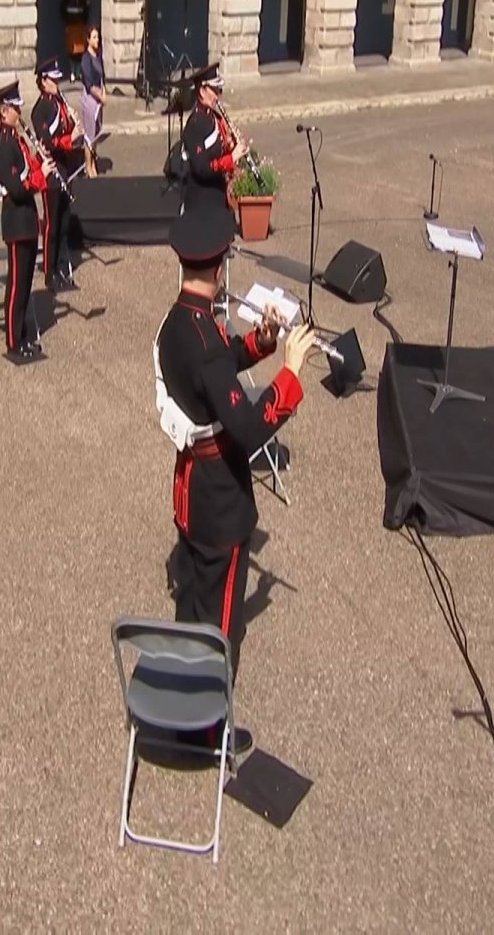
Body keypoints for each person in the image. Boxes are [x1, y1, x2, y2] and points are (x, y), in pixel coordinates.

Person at [154, 208, 315, 752]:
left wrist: (262, 341)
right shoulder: (201, 337)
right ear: (221, 266)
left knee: (190, 601)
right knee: (222, 623)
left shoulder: (180, 321)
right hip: (219, 495)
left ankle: (179, 701)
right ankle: (207, 732)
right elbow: (246, 427)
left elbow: (217, 366)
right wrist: (289, 374)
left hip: (190, 486)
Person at [0, 81, 52, 359]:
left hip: (27, 218)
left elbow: (29, 170)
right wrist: (40, 178)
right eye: (15, 109)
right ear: (4, 111)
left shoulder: (17, 140)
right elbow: (16, 187)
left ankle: (24, 336)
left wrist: (43, 165)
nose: (19, 113)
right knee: (16, 285)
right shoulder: (3, 147)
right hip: (15, 220)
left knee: (26, 281)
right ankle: (13, 342)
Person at [30, 57, 82, 291]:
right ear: (43, 81)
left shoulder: (59, 102)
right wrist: (69, 140)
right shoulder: (40, 109)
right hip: (50, 170)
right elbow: (48, 143)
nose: (56, 84)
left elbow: (66, 131)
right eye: (53, 80)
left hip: (65, 167)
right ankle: (49, 273)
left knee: (63, 221)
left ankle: (62, 266)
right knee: (51, 224)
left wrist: (75, 126)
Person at [180, 62, 245, 219]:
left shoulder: (213, 117)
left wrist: (231, 144)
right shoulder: (196, 123)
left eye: (220, 90)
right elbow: (201, 168)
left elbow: (218, 150)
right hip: (202, 200)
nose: (218, 96)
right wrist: (232, 158)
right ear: (202, 91)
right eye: (215, 90)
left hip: (217, 194)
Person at [79, 25, 105, 179]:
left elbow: (103, 77)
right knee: (89, 135)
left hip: (99, 98)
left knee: (96, 134)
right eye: (94, 37)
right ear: (88, 39)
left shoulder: (98, 55)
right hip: (90, 99)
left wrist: (105, 92)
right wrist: (100, 96)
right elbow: (89, 84)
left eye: (98, 37)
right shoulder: (86, 59)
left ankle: (93, 162)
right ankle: (87, 166)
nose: (97, 40)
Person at [60, 0, 91, 64]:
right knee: (71, 48)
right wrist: (65, 22)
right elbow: (62, 7)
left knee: (81, 48)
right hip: (70, 23)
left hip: (80, 23)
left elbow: (86, 5)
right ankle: (73, 71)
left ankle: (79, 70)